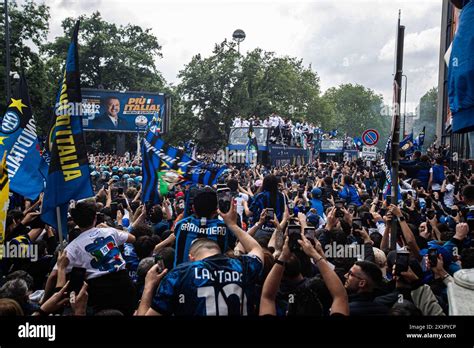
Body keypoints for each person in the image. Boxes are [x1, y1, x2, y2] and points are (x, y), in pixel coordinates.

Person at [141, 201, 264, 316]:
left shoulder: (178, 276)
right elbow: (256, 249)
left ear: (191, 257)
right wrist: (231, 224)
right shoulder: (242, 266)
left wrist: (148, 286)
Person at [44, 200, 137, 315]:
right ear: (95, 217)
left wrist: (44, 302)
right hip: (125, 285)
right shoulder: (109, 231)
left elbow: (53, 276)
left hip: (100, 294)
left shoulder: (71, 248)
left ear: (76, 221)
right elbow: (132, 238)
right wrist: (109, 229)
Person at [173, 187, 236, 266]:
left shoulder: (180, 224)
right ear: (216, 210)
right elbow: (233, 242)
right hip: (211, 277)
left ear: (193, 208)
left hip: (180, 276)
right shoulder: (224, 227)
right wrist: (232, 223)